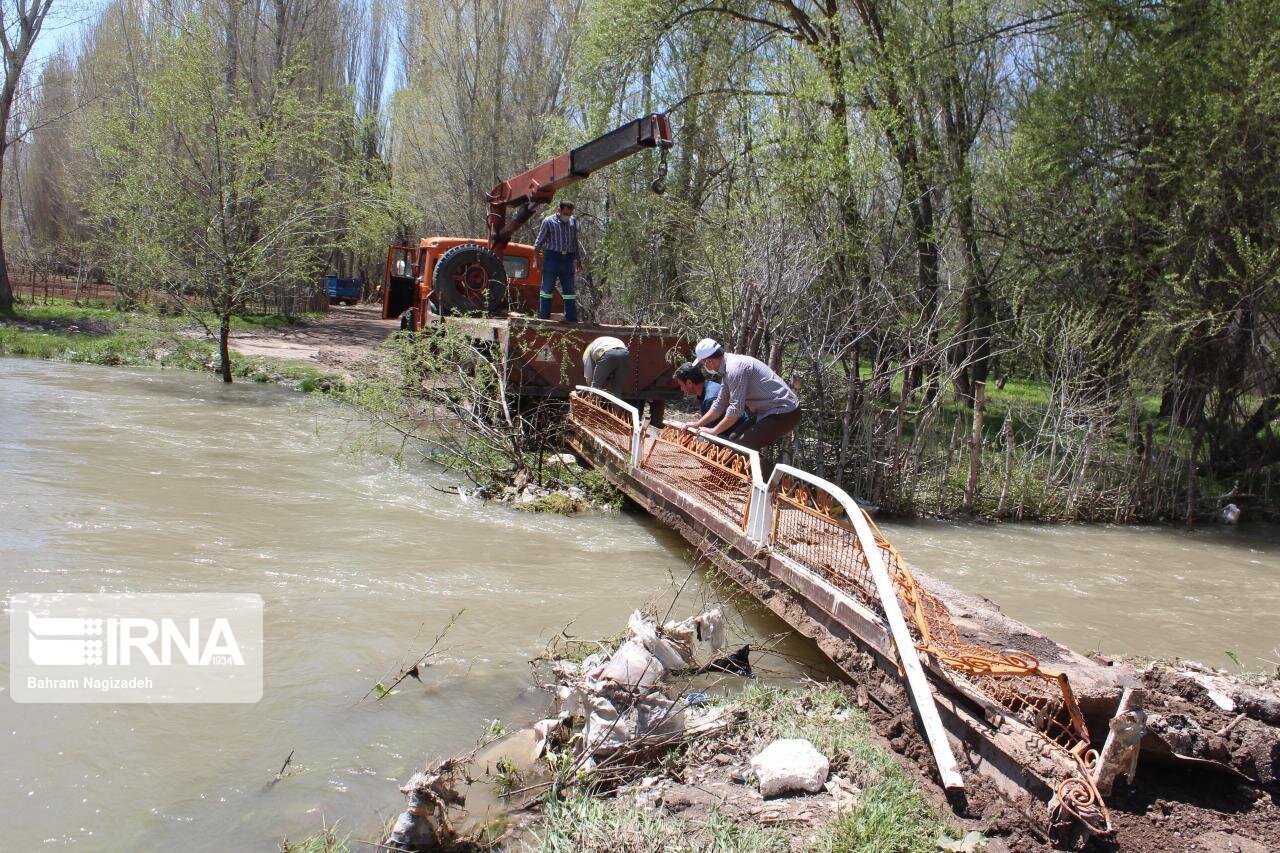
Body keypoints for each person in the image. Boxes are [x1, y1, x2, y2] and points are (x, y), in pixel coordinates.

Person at [681, 338, 800, 451]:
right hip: (768, 411)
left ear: (709, 361)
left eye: (703, 364)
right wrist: (698, 424)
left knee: (741, 449)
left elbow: (735, 410)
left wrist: (713, 431)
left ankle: (774, 473)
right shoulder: (728, 369)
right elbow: (720, 403)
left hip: (784, 412)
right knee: (733, 439)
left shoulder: (734, 369)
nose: (704, 367)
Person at [671, 362, 751, 438]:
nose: (681, 389)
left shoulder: (710, 399)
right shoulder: (708, 388)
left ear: (689, 383)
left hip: (735, 436)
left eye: (681, 385)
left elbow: (711, 433)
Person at [533, 200, 581, 322]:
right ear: (558, 210)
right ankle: (544, 318)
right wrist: (536, 260)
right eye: (565, 213)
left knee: (569, 291)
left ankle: (570, 319)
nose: (567, 216)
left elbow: (575, 242)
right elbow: (538, 243)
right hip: (552, 258)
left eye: (569, 214)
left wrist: (578, 260)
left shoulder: (573, 222)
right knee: (547, 290)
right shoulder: (548, 222)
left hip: (568, 259)